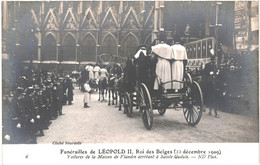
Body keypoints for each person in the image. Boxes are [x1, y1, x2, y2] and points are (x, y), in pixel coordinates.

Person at [203, 49, 220, 118]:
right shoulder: (207, 65)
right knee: (210, 97)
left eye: (215, 60)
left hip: (215, 83)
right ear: (211, 60)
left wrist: (217, 73)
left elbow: (218, 75)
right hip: (209, 83)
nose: (215, 62)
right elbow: (204, 73)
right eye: (214, 60)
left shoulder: (216, 67)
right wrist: (209, 73)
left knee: (214, 98)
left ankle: (212, 111)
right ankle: (213, 112)